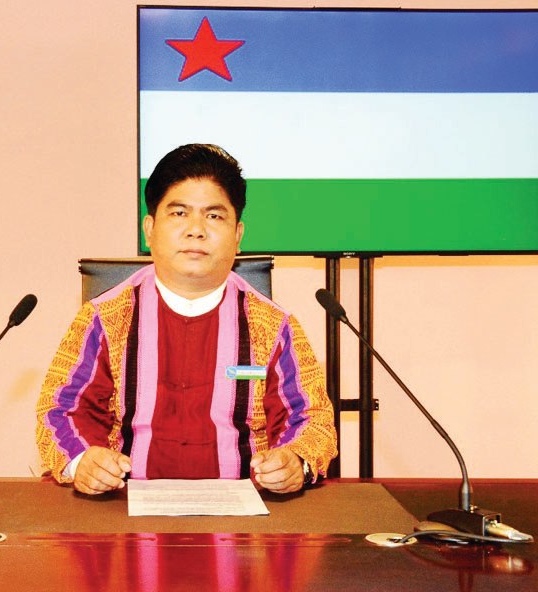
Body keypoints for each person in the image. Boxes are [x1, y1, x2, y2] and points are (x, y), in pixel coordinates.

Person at [35, 144, 337, 495]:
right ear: (150, 229)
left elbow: (312, 419)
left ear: (238, 235)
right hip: (124, 509)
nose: (196, 230)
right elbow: (60, 410)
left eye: (214, 216)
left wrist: (294, 460)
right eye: (179, 213)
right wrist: (83, 462)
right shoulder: (104, 318)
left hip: (244, 516)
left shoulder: (274, 326)